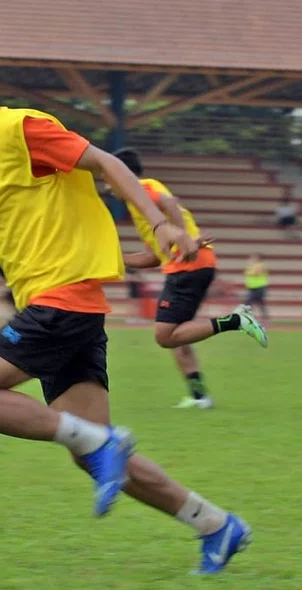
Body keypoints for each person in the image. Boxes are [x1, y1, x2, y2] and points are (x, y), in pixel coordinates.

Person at [0, 28, 251, 574]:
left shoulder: (22, 129)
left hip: (62, 299)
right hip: (66, 310)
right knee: (93, 456)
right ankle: (216, 525)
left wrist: (158, 223)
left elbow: (110, 164)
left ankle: (101, 442)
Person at [111, 148, 268, 410]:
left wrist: (183, 239)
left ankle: (237, 319)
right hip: (192, 264)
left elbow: (170, 202)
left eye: (109, 175)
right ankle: (199, 396)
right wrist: (115, 258)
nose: (107, 183)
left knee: (165, 335)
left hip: (189, 265)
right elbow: (153, 256)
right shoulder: (139, 205)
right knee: (178, 336)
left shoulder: (143, 188)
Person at [244, 253, 270, 324]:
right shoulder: (252, 266)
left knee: (249, 302)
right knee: (259, 303)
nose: (252, 259)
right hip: (252, 287)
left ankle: (248, 318)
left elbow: (255, 273)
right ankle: (265, 319)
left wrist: (249, 267)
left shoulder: (260, 265)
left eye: (254, 258)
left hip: (260, 287)